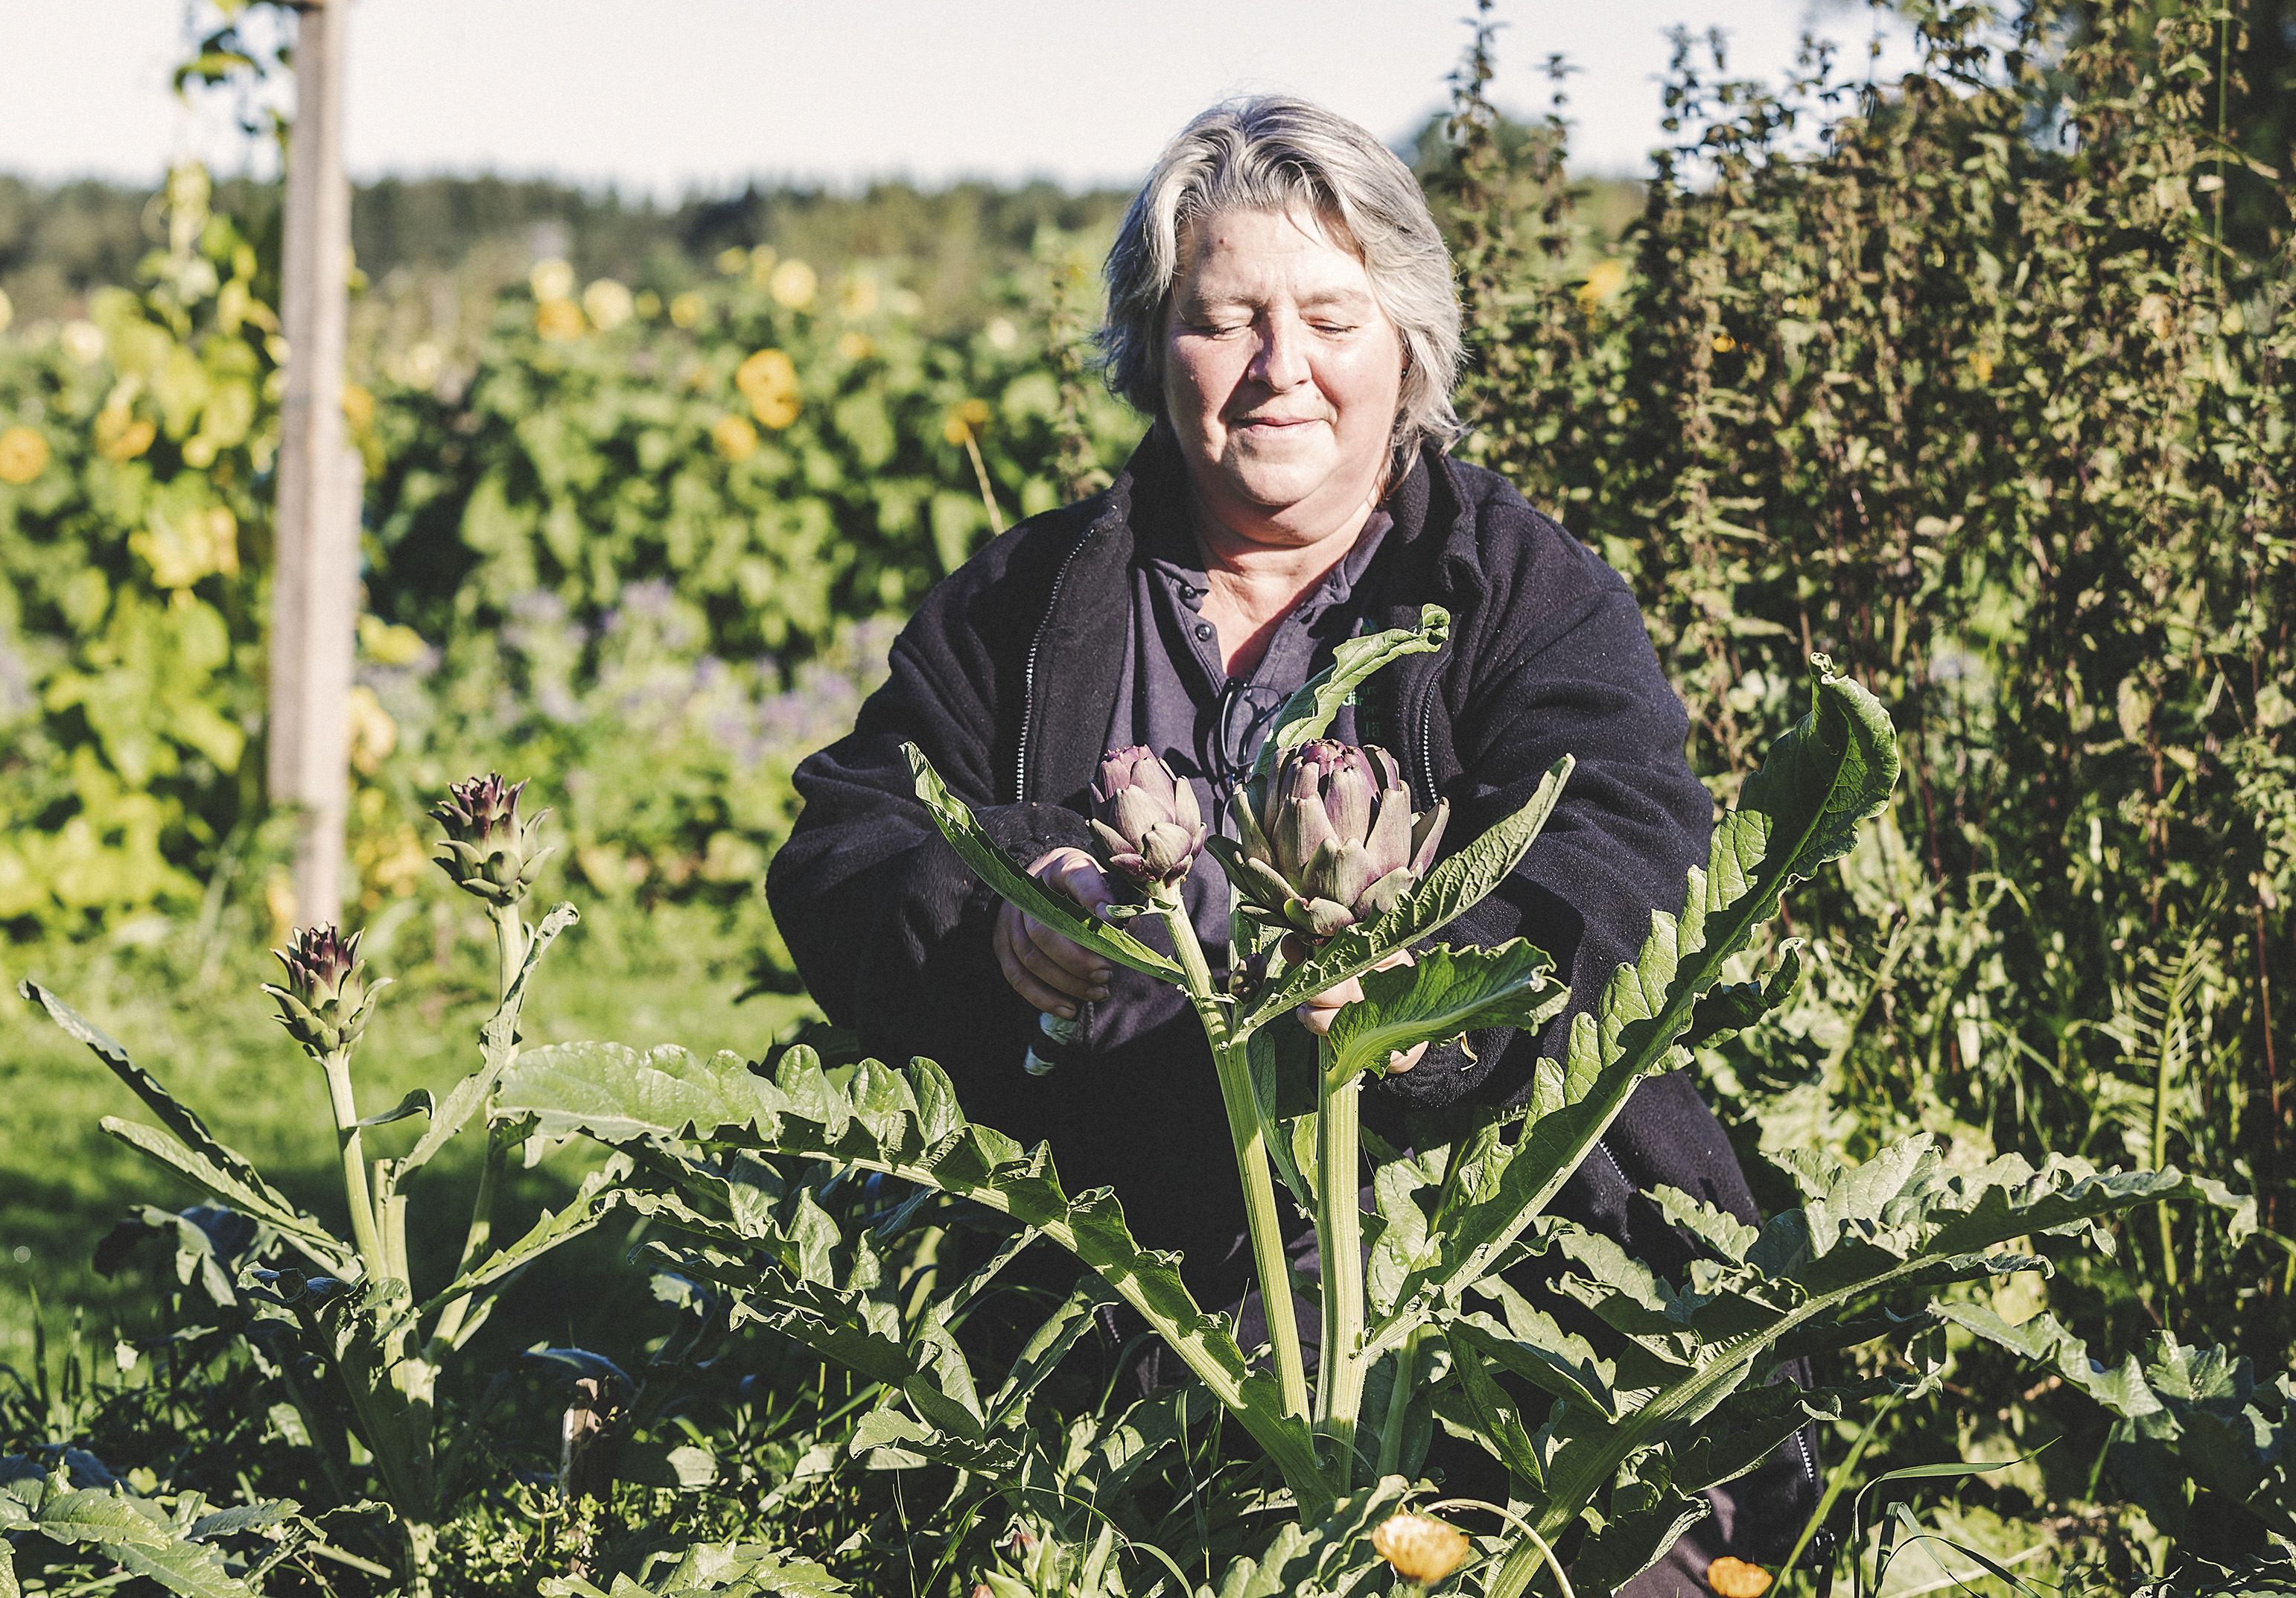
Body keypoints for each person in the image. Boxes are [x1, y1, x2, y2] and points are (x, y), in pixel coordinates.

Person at [766, 96, 1814, 1593]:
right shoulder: (1024, 604)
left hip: (1480, 1276)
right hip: (1109, 1282)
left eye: (1329, 317)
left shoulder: (1523, 593)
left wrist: (1438, 990)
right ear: (1154, 346)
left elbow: (1631, 851)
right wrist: (996, 907)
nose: (1280, 367)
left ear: (1407, 344)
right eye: (1223, 320)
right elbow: (847, 838)